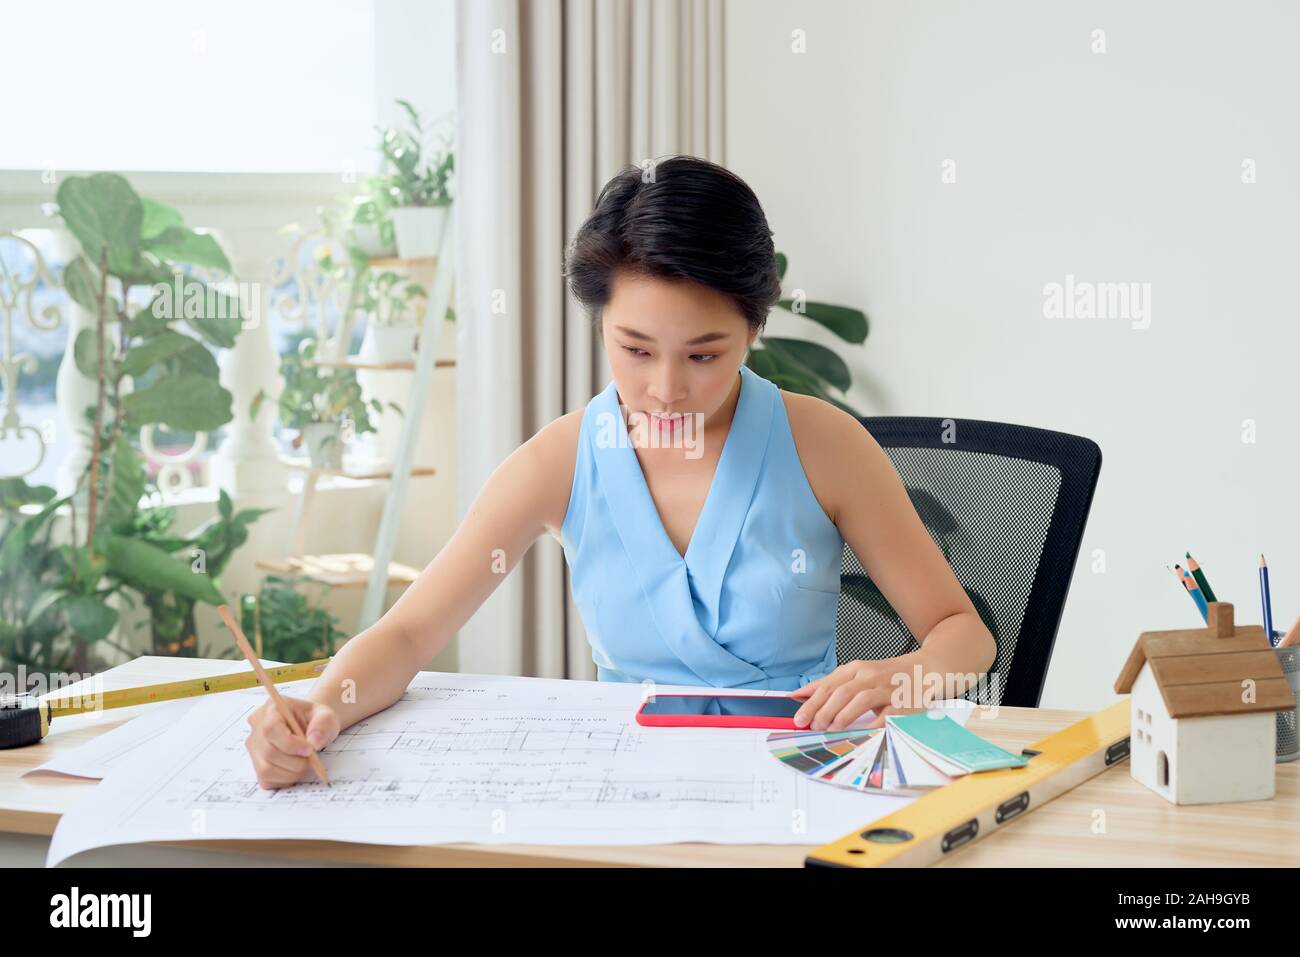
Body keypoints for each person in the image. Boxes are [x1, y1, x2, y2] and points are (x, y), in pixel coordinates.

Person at [244, 155, 996, 789]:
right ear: (601, 323)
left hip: (802, 775)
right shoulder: (561, 460)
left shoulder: (825, 444)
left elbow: (963, 634)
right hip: (628, 788)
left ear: (754, 328)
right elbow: (409, 633)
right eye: (635, 349)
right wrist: (324, 708)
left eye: (704, 354)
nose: (666, 388)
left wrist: (905, 676)